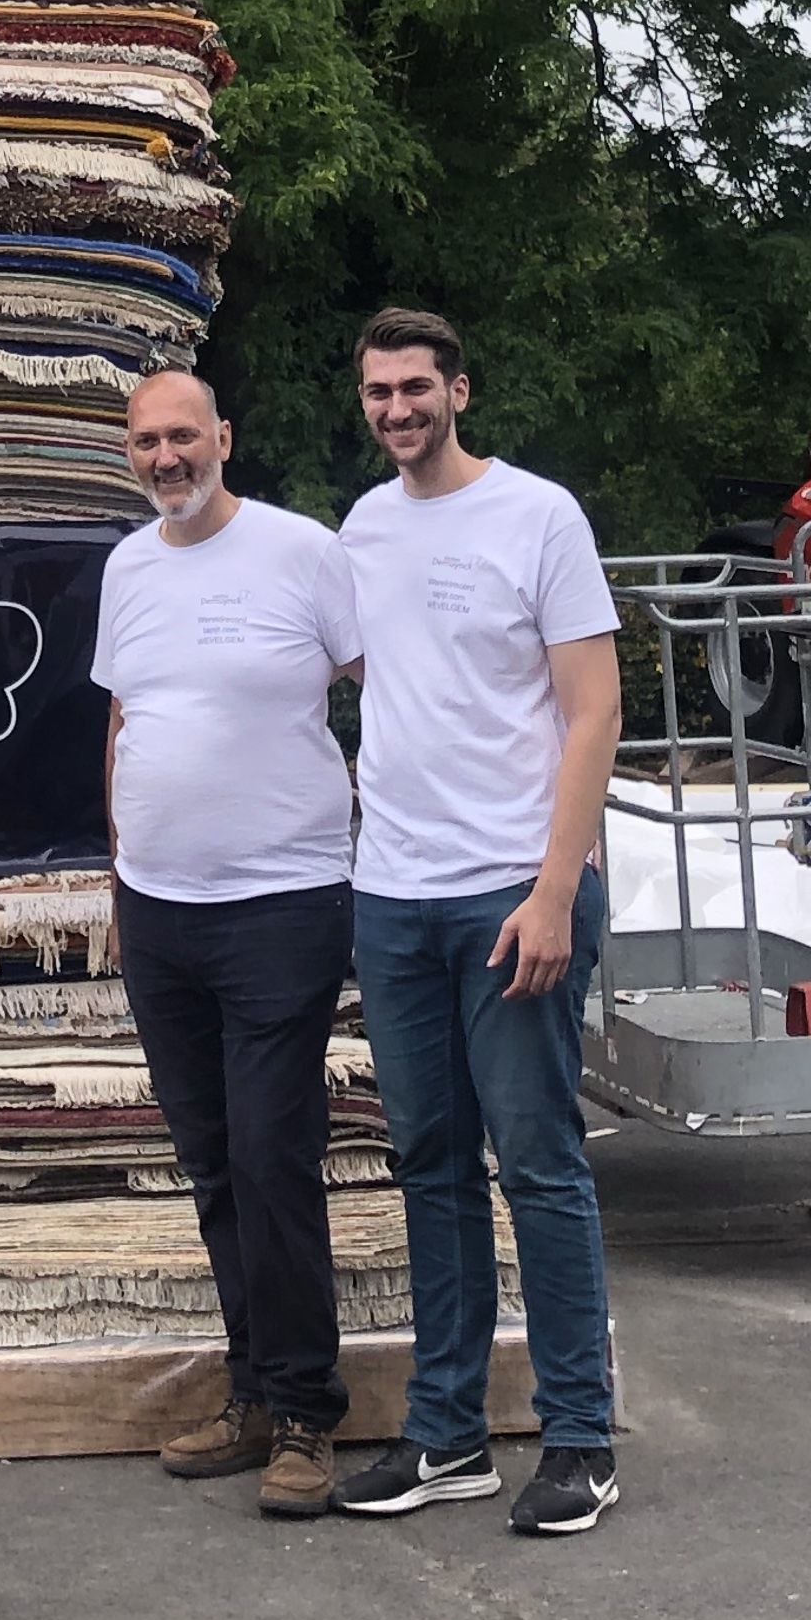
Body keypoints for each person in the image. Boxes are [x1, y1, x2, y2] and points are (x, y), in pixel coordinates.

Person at [329, 306, 625, 1537]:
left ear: (462, 388)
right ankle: (447, 1438)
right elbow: (363, 674)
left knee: (541, 1166)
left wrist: (555, 889)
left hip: (515, 893)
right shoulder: (363, 527)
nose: (397, 408)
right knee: (432, 1171)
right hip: (393, 895)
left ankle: (581, 1441)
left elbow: (594, 709)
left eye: (416, 386)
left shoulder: (539, 516)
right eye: (378, 392)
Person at [94, 365, 362, 1519]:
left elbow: (389, 690)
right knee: (210, 1162)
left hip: (285, 903)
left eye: (184, 437)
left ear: (225, 439)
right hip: (159, 912)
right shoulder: (126, 565)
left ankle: (307, 1412)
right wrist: (120, 866)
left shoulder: (304, 552)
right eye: (149, 442)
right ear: (131, 453)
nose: (168, 459)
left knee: (269, 1155)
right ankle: (252, 1390)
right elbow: (124, 718)